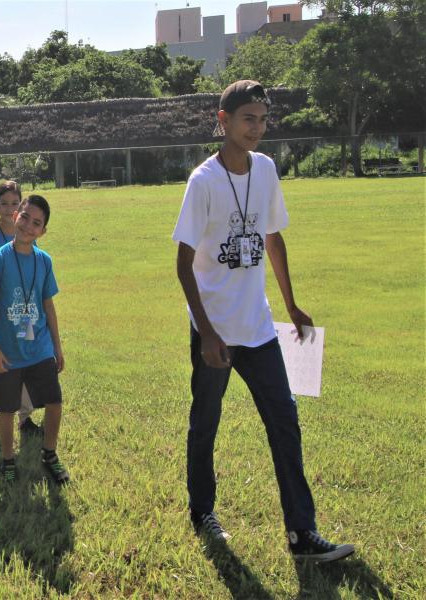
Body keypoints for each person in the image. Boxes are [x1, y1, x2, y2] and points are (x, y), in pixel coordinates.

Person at [173, 80, 354, 562]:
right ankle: (202, 510)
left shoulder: (267, 170)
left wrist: (291, 305)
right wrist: (206, 331)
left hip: (258, 327)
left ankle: (301, 534)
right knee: (205, 422)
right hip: (215, 331)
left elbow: (273, 238)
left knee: (285, 421)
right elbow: (183, 262)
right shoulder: (203, 181)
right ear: (223, 120)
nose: (256, 128)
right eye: (247, 118)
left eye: (262, 119)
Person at [0, 194, 67, 486]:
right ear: (16, 214)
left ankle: (49, 454)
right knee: (6, 410)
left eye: (37, 223)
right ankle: (8, 459)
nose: (29, 225)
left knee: (54, 402)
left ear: (43, 231)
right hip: (7, 351)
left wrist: (57, 345)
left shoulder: (44, 261)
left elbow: (48, 305)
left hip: (39, 347)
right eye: (26, 217)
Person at [0, 181, 40, 438]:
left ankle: (25, 419)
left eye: (15, 203)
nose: (10, 208)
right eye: (4, 203)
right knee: (5, 369)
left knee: (28, 363)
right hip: (0, 318)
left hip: (24, 315)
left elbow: (34, 273)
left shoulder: (28, 235)